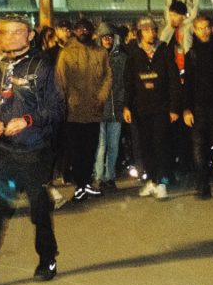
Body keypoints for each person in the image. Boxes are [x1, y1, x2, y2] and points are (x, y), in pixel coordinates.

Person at [0, 14, 65, 285]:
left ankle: (47, 258)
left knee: (39, 211)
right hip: (6, 151)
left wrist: (28, 120)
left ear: (30, 36)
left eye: (18, 32)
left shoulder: (42, 66)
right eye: (5, 32)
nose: (11, 37)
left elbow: (57, 109)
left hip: (36, 150)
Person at [123, 16, 181, 200]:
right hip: (141, 108)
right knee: (146, 146)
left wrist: (174, 107)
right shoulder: (133, 54)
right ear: (140, 32)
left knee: (161, 144)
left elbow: (173, 80)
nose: (151, 33)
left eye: (153, 30)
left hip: (161, 107)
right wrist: (127, 106)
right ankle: (152, 180)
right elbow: (129, 82)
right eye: (147, 30)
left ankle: (161, 182)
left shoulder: (164, 51)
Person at [55, 18, 112, 201]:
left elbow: (107, 78)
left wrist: (101, 97)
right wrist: (64, 104)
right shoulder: (67, 53)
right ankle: (79, 186)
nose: (83, 32)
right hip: (74, 111)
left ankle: (86, 183)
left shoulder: (100, 53)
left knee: (91, 149)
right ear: (74, 31)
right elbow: (60, 81)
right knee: (77, 150)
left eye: (86, 29)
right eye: (79, 29)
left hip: (94, 110)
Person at [183, 15, 213, 198]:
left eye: (206, 27)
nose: (204, 31)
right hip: (199, 108)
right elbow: (187, 83)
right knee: (199, 149)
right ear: (194, 30)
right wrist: (186, 109)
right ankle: (203, 185)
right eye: (200, 28)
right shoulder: (192, 54)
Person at [94, 23, 126, 191]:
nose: (107, 40)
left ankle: (110, 176)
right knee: (100, 146)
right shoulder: (93, 57)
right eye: (104, 37)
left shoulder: (121, 58)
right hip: (98, 109)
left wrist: (122, 104)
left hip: (116, 109)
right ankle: (99, 176)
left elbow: (124, 84)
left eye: (110, 37)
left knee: (113, 145)